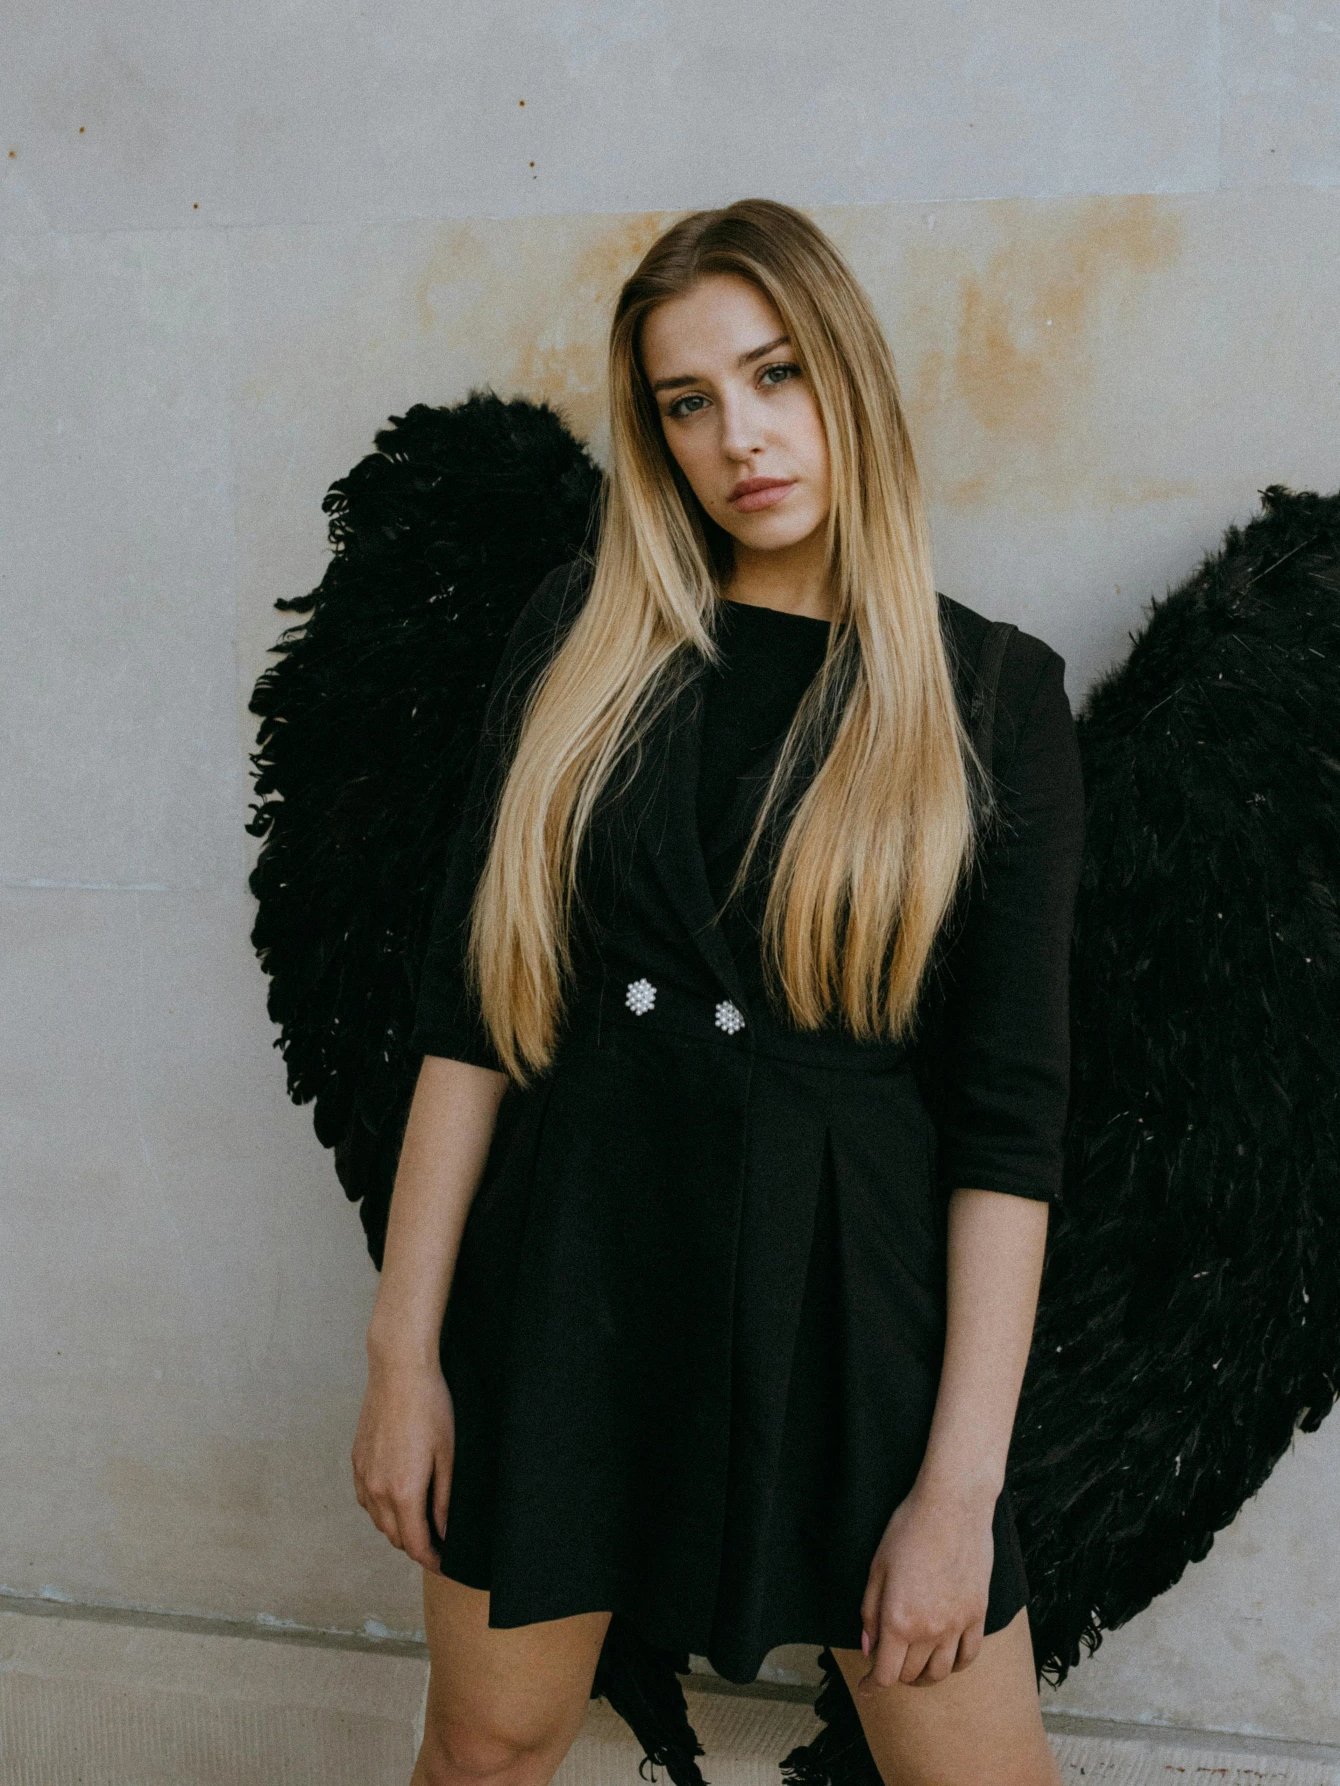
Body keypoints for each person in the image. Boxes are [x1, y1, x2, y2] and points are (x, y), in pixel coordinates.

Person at [351, 199, 1085, 1786]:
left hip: (852, 1308)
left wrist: (957, 1490)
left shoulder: (991, 697)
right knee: (486, 1746)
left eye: (773, 375)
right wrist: (402, 1356)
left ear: (850, 380)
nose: (738, 436)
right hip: (570, 1278)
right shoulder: (580, 640)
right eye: (687, 402)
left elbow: (1007, 1134)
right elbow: (470, 1022)